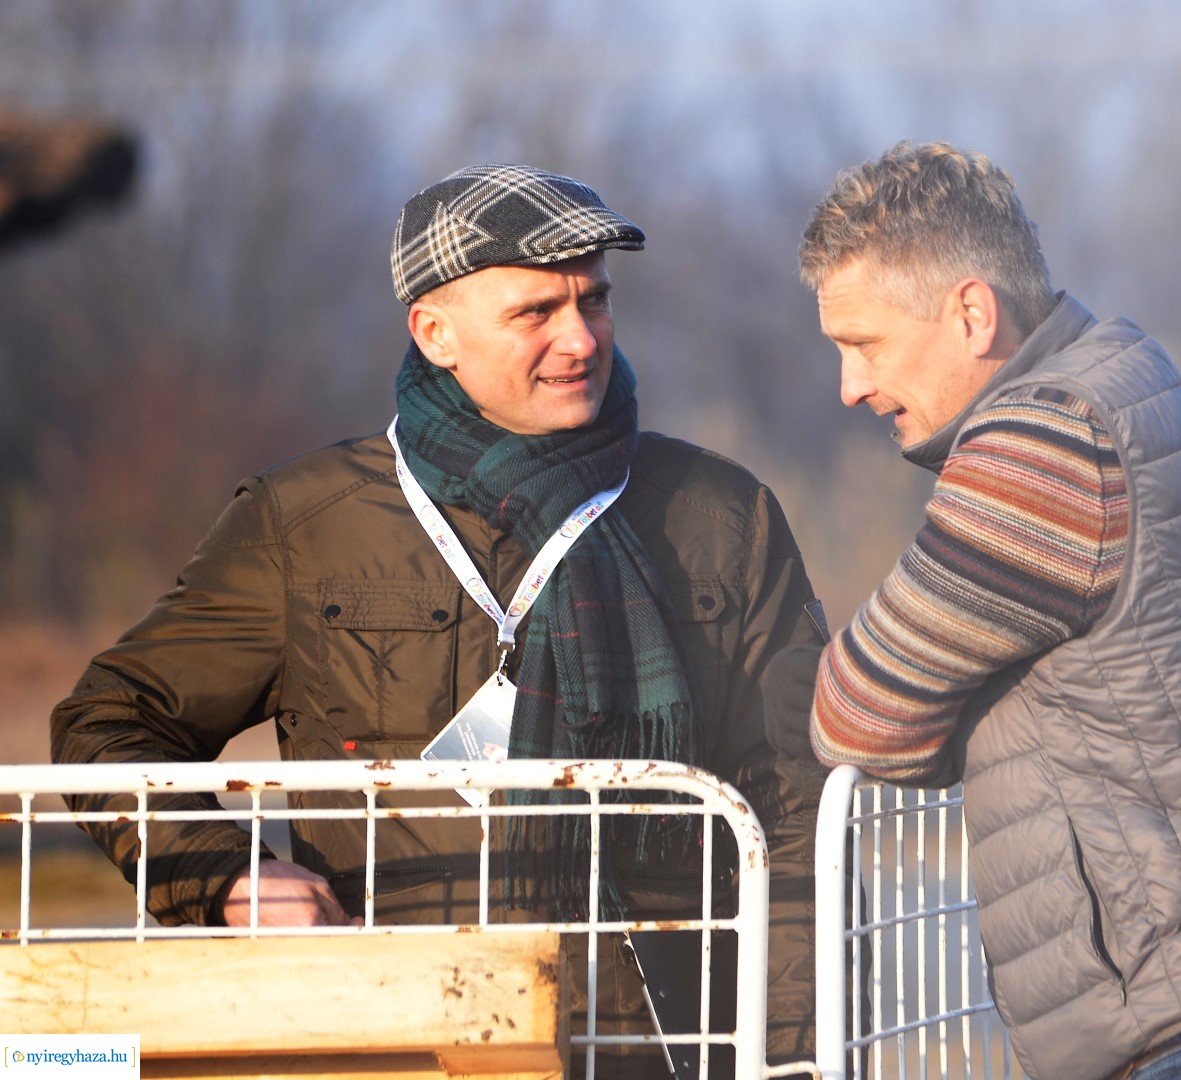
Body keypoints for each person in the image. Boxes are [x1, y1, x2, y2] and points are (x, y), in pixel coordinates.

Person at [52, 164, 828, 1076]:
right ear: (435, 332)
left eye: (595, 300)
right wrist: (227, 881)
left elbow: (798, 812)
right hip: (394, 1046)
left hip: (656, 1049)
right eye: (535, 312)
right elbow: (107, 725)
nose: (581, 338)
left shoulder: (718, 517)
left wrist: (787, 1058)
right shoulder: (304, 525)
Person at [796, 142, 1181, 1080]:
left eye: (864, 343)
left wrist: (931, 717)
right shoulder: (1105, 395)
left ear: (970, 312)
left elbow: (857, 714)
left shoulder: (1042, 446)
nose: (849, 387)